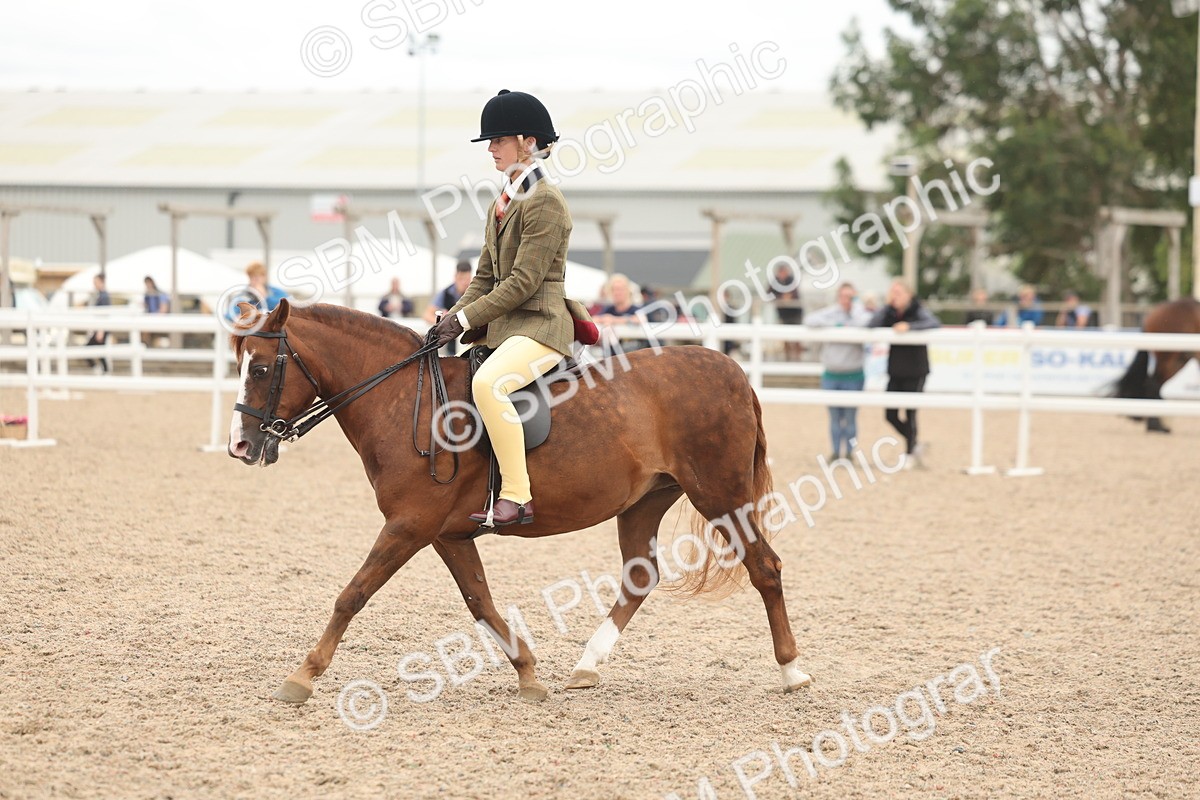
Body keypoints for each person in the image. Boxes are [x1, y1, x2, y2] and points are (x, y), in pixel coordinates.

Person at [431, 89, 582, 527]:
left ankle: (517, 496)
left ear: (528, 142)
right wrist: (450, 318)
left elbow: (522, 282)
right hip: (509, 327)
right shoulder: (503, 201)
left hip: (542, 325)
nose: (491, 149)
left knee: (490, 384)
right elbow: (484, 277)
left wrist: (465, 319)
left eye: (498, 140)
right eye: (491, 142)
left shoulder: (545, 201)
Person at [868, 279, 941, 468]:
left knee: (910, 412)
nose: (895, 296)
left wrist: (909, 327)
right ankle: (915, 444)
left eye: (899, 292)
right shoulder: (889, 312)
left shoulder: (917, 310)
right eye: (893, 292)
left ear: (909, 294)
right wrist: (887, 307)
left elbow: (934, 323)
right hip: (896, 369)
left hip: (915, 369)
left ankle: (909, 453)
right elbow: (871, 324)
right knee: (890, 414)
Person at [807, 282, 872, 461]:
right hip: (832, 373)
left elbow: (867, 322)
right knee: (834, 417)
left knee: (850, 418)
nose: (846, 300)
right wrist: (835, 324)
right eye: (843, 296)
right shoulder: (831, 313)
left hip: (853, 373)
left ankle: (849, 453)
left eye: (850, 296)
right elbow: (810, 320)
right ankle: (836, 452)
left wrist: (853, 311)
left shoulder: (860, 314)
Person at [423, 261, 474, 355]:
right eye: (461, 279)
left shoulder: (476, 292)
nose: (464, 282)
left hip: (472, 344)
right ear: (455, 277)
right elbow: (427, 314)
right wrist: (443, 321)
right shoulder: (445, 293)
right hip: (451, 345)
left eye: (467, 279)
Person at [595, 273, 644, 356]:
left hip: (634, 357)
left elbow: (640, 319)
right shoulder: (608, 310)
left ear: (628, 290)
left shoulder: (636, 309)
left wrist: (614, 320)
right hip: (612, 359)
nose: (617, 293)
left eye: (620, 289)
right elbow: (593, 319)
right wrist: (604, 320)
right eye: (614, 289)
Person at [773, 263, 804, 361]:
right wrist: (781, 297)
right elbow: (769, 294)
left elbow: (795, 294)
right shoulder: (775, 282)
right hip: (783, 314)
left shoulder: (791, 281)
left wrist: (788, 297)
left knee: (797, 337)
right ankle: (788, 358)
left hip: (795, 313)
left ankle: (797, 358)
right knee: (785, 337)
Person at [85, 273, 111, 373]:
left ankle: (102, 371)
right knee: (100, 352)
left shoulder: (103, 297)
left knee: (94, 351)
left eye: (96, 282)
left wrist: (101, 330)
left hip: (101, 328)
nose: (94, 285)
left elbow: (104, 314)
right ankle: (104, 371)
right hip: (100, 327)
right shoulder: (100, 295)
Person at [142, 276, 170, 347]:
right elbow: (145, 306)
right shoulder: (147, 295)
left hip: (159, 320)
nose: (147, 285)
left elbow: (163, 309)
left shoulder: (160, 294)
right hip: (150, 319)